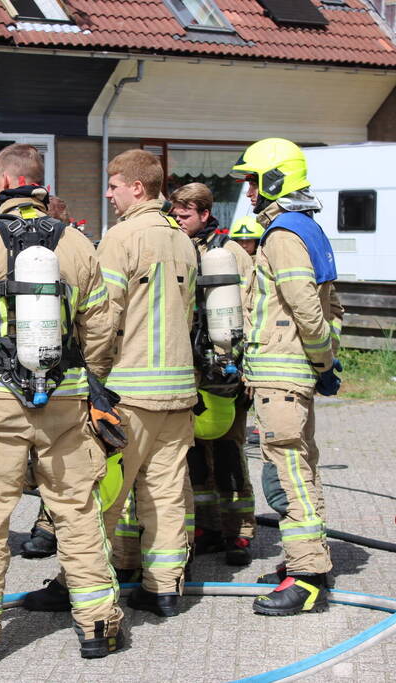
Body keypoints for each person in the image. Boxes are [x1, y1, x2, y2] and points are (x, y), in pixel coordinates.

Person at [0, 143, 124, 662]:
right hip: (65, 403)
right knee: (78, 514)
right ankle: (99, 628)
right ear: (39, 183)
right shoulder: (79, 245)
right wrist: (88, 385)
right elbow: (102, 330)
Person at [24, 149, 198, 617]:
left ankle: (77, 586)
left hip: (130, 392)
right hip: (179, 392)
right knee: (164, 494)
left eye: (114, 184)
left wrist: (91, 381)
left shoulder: (121, 238)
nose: (109, 193)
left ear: (137, 188)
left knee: (100, 494)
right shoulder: (185, 240)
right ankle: (163, 588)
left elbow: (104, 317)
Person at [230, 137, 343, 616]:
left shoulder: (281, 235)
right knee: (302, 466)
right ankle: (309, 560)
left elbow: (306, 308)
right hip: (292, 373)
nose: (249, 192)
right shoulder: (307, 228)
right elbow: (332, 304)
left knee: (287, 472)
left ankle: (307, 577)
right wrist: (326, 362)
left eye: (253, 181)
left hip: (282, 375)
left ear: (276, 179)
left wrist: (321, 361)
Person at [169, 183, 258, 566]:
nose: (178, 221)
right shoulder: (177, 249)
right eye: (175, 214)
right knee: (193, 455)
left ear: (205, 214)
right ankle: (204, 528)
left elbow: (251, 305)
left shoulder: (230, 252)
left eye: (185, 215)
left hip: (225, 367)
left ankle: (239, 533)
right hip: (188, 369)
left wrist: (246, 368)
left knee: (227, 451)